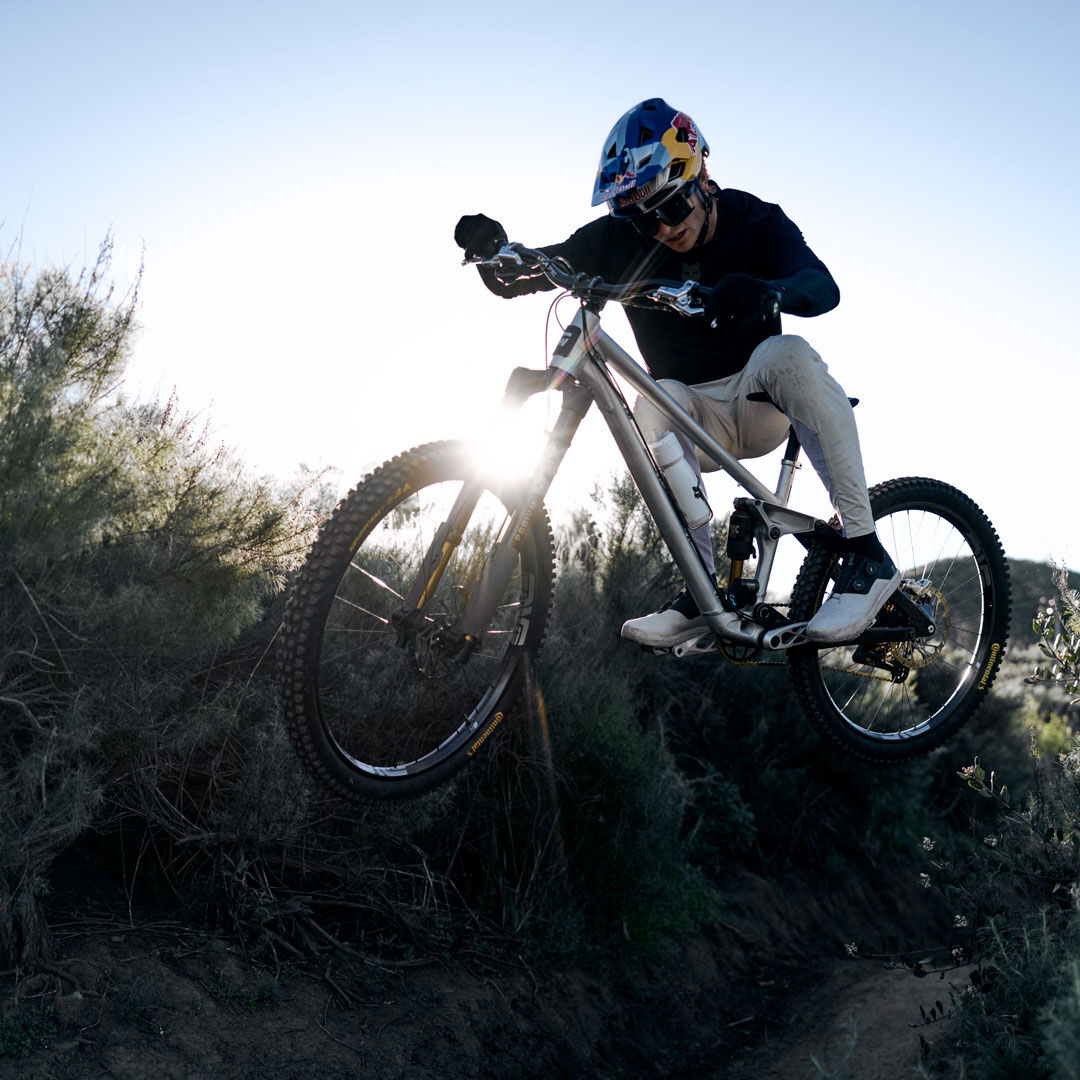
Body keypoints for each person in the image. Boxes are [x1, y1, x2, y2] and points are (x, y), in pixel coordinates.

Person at [454, 97, 899, 649]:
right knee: (654, 397)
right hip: (691, 420)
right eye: (644, 218)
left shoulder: (753, 219)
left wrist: (769, 291)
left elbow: (822, 287)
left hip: (760, 402)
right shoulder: (617, 239)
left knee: (785, 353)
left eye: (671, 206)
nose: (662, 228)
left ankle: (866, 553)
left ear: (702, 178)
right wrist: (495, 255)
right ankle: (702, 592)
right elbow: (542, 270)